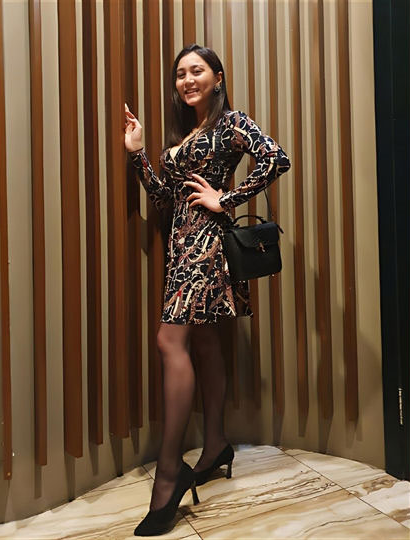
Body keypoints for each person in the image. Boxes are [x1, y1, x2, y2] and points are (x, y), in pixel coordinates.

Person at [124, 44, 291, 536]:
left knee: (169, 339)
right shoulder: (185, 135)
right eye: (180, 73)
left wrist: (228, 199)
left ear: (218, 77)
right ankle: (215, 445)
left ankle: (169, 474)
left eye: (197, 70)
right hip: (181, 246)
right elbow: (164, 198)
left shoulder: (231, 122)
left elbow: (276, 158)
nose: (187, 79)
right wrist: (138, 154)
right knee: (204, 343)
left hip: (207, 248)